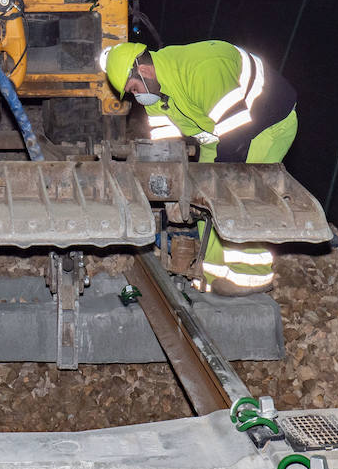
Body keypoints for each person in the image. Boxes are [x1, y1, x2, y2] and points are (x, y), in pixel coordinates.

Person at [102, 40, 298, 295]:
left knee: (239, 193)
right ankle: (212, 273)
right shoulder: (156, 93)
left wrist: (219, 182)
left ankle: (253, 275)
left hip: (266, 124)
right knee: (203, 197)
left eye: (134, 88)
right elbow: (166, 147)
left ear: (144, 70)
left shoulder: (201, 69)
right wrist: (168, 191)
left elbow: (237, 134)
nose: (136, 96)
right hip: (218, 133)